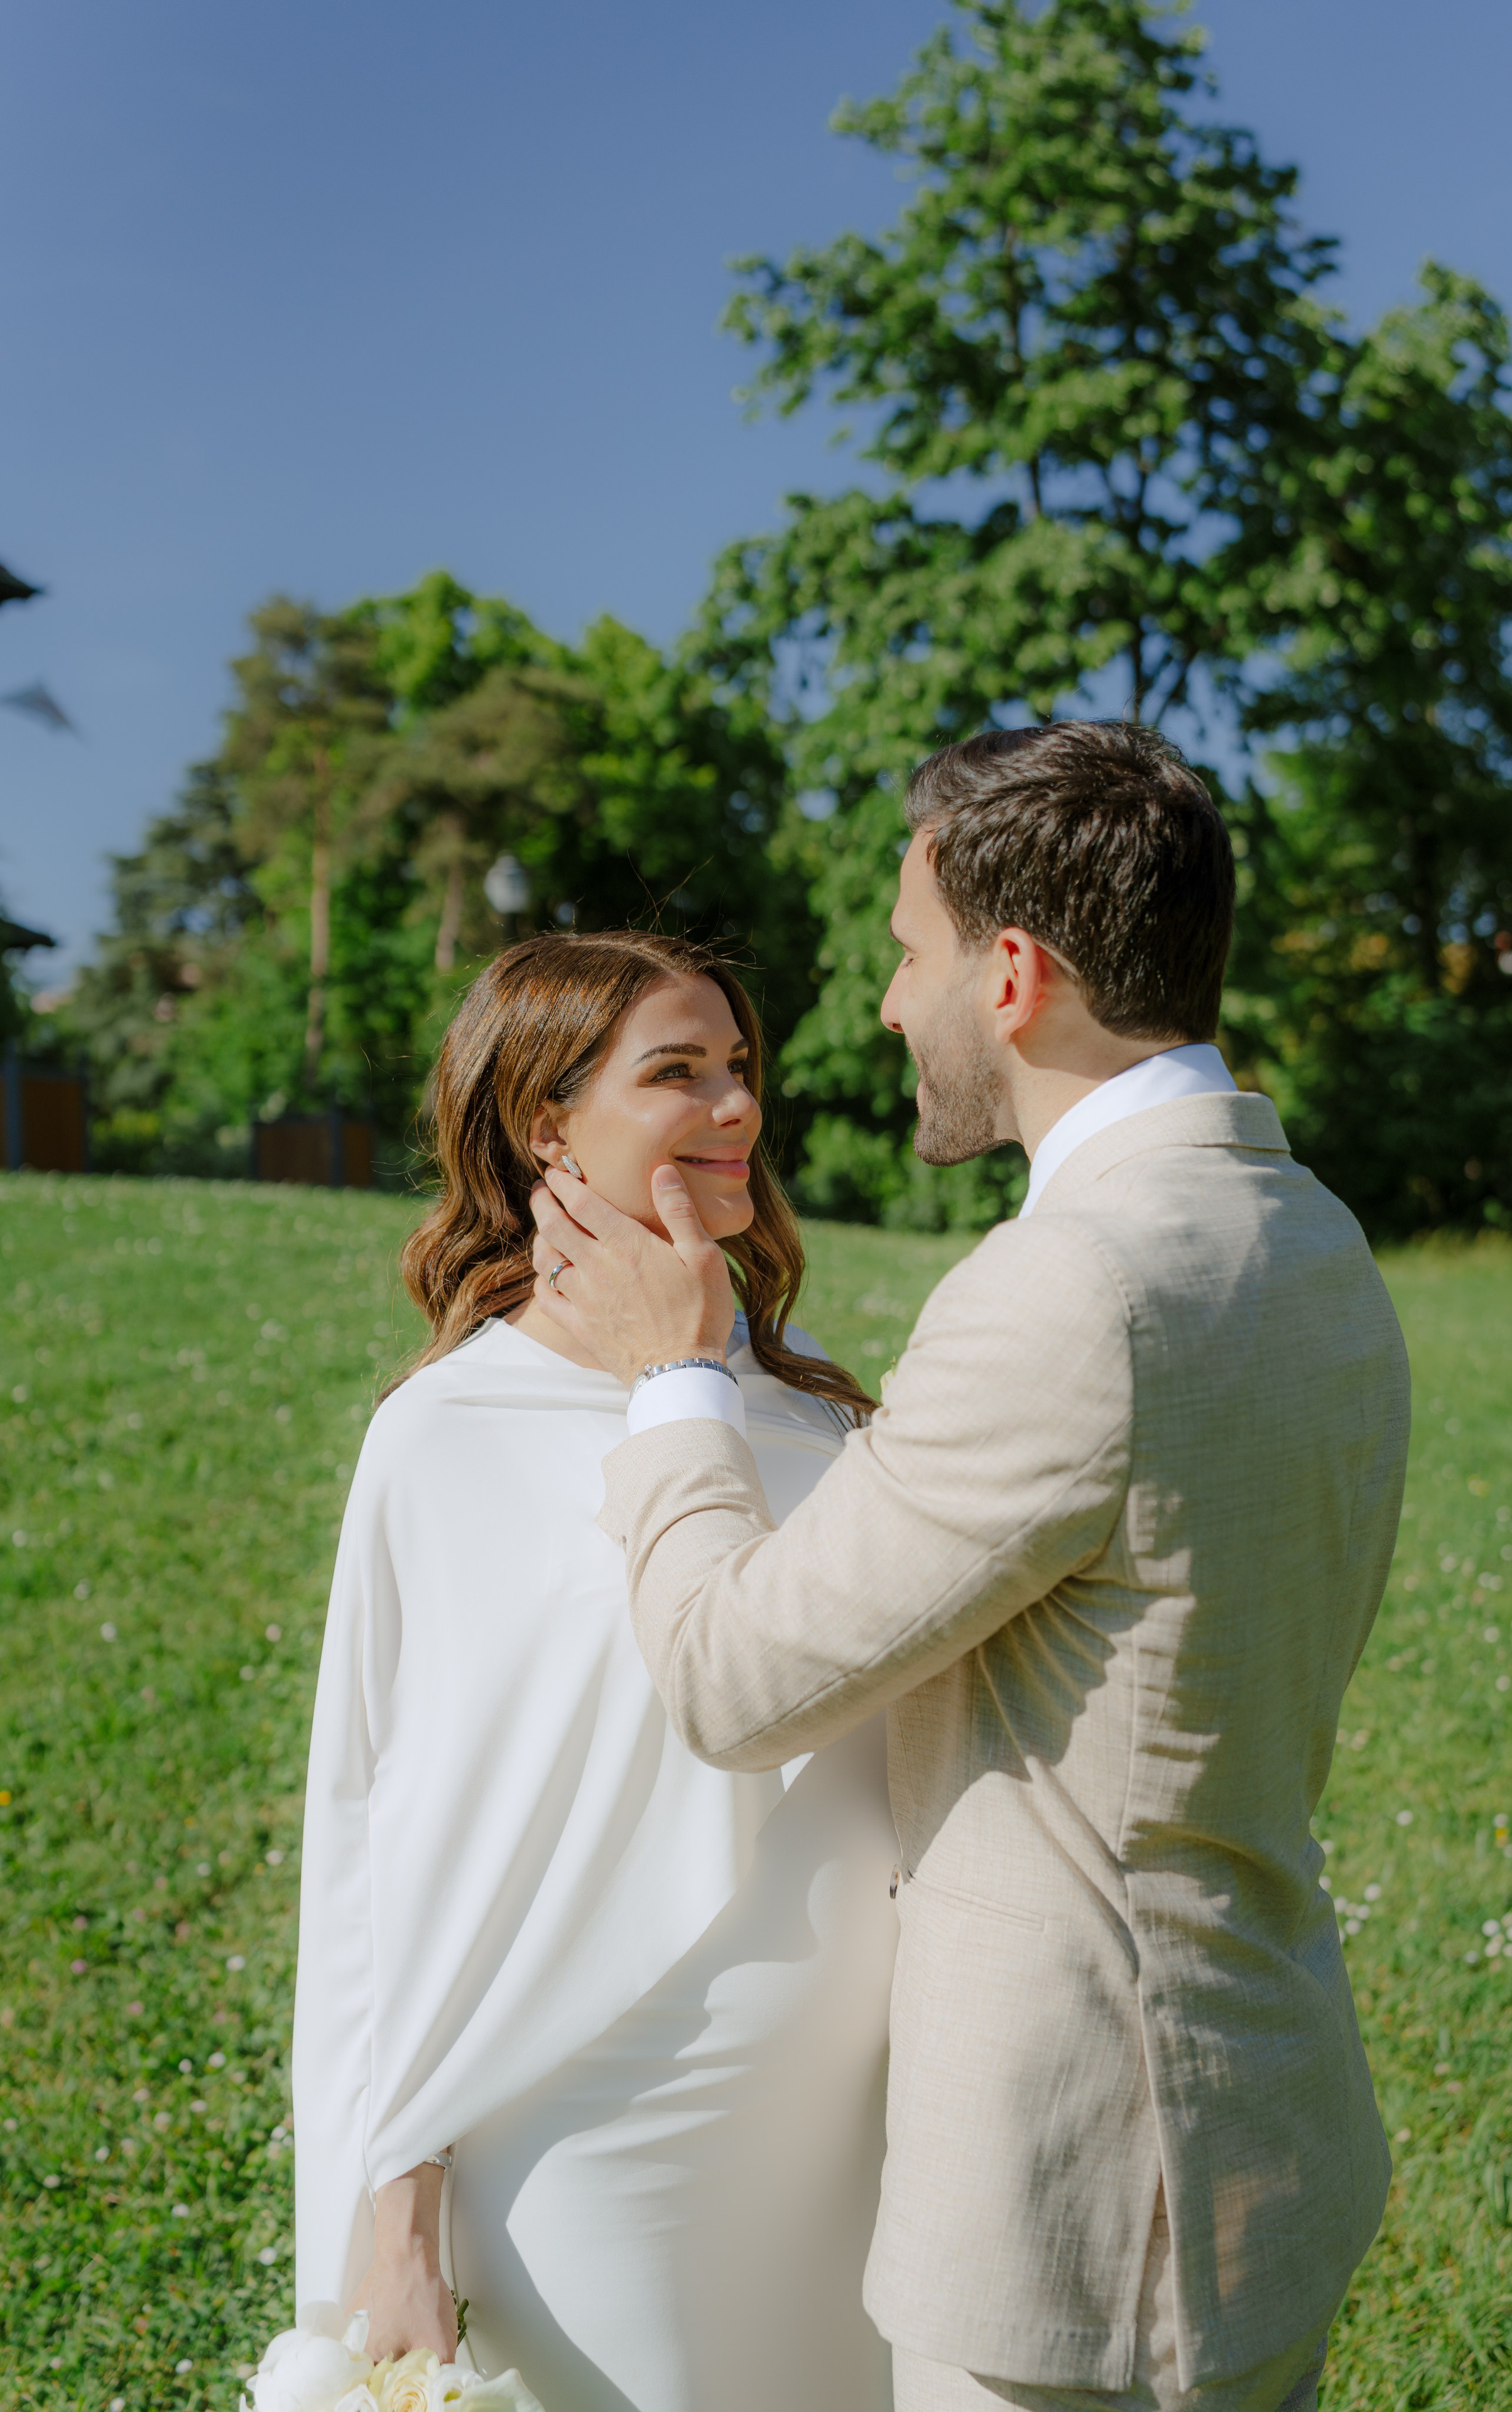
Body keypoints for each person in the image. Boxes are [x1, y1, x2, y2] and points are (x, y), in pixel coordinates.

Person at [529, 722, 1413, 2412]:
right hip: (1266, 2123)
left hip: (1086, 2213)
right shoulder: (1311, 1231)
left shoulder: (1071, 1285)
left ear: (1010, 978)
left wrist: (674, 1379)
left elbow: (733, 1679)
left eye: (906, 954)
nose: (884, 1005)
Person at [292, 930, 899, 2412]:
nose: (735, 1105)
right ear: (543, 1125)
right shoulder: (448, 1436)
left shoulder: (805, 1399)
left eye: (738, 1066)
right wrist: (397, 2207)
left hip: (856, 2127)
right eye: (676, 1073)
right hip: (603, 2131)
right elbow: (395, 1846)